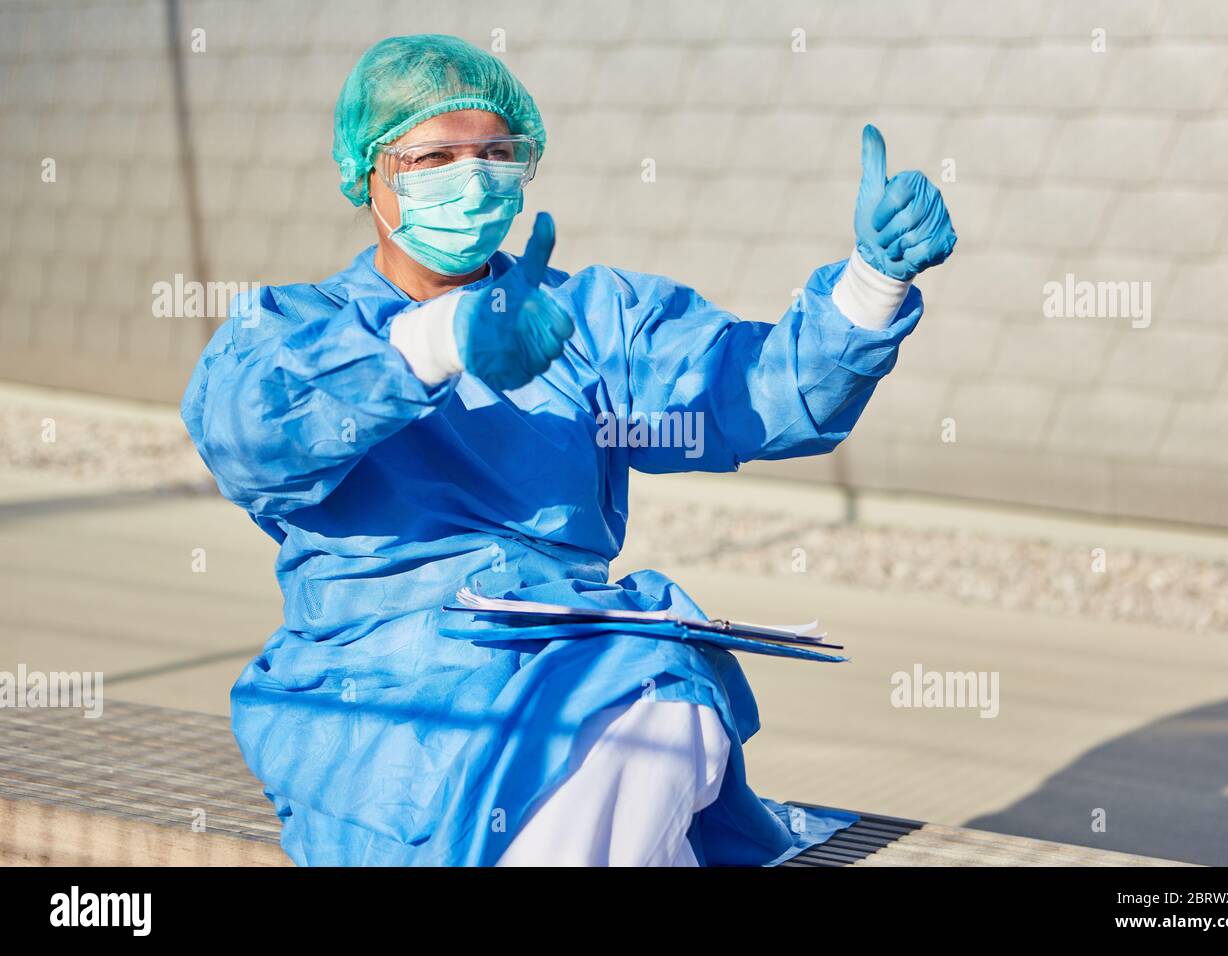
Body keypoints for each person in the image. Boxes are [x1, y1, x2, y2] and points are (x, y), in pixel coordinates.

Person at [181, 34, 956, 866]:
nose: (472, 178)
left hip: (577, 657)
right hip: (384, 694)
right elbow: (249, 441)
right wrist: (437, 343)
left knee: (664, 690)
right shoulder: (297, 330)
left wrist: (872, 284)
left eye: (496, 154)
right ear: (366, 174)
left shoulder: (587, 321)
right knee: (635, 718)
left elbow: (745, 396)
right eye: (435, 156)